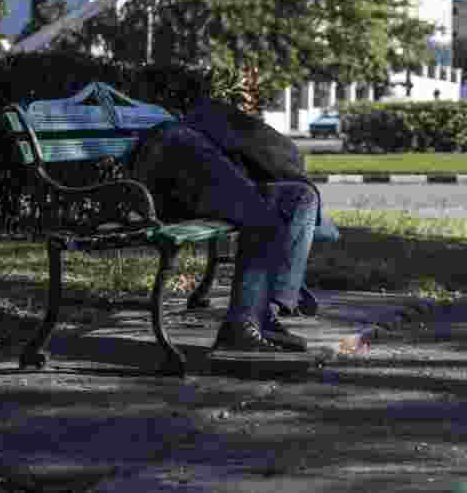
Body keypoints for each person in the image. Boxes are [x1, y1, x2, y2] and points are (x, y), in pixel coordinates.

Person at [128, 97, 328, 354]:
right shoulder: (212, 127)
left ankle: (259, 315)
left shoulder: (232, 128)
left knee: (301, 197)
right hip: (175, 154)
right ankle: (240, 328)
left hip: (185, 156)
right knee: (262, 215)